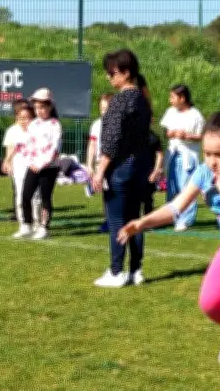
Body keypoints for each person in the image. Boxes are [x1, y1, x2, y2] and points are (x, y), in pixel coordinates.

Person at [117, 90, 220, 371]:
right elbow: (176, 206)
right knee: (209, 304)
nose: (212, 161)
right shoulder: (206, 172)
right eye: (207, 153)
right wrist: (142, 223)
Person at [92, 49, 153, 288]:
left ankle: (116, 271)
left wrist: (100, 169)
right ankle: (136, 270)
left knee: (117, 220)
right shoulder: (143, 100)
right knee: (135, 220)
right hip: (140, 167)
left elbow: (112, 139)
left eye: (112, 73)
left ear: (126, 73)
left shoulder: (119, 100)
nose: (109, 77)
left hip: (120, 168)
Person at [14, 88, 62, 240]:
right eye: (36, 107)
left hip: (49, 167)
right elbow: (28, 145)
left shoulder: (55, 125)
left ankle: (43, 227)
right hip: (33, 166)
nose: (39, 111)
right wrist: (31, 162)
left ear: (50, 107)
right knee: (25, 195)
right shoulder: (33, 124)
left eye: (42, 107)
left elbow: (54, 149)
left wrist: (41, 164)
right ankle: (26, 225)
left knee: (45, 198)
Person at [160, 84, 206, 231]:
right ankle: (171, 216)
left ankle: (186, 219)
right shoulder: (170, 112)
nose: (170, 100)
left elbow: (201, 136)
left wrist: (188, 136)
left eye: (172, 97)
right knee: (172, 187)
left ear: (182, 98)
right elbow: (167, 132)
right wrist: (174, 133)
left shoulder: (196, 115)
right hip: (173, 153)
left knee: (187, 188)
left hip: (188, 156)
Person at [2, 100, 43, 235]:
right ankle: (24, 224)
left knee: (35, 197)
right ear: (16, 118)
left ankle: (37, 224)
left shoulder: (38, 130)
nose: (24, 121)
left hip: (34, 168)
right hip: (19, 169)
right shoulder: (12, 131)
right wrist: (7, 162)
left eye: (27, 118)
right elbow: (11, 149)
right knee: (20, 197)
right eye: (21, 118)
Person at [87, 93, 115, 233]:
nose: (104, 112)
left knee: (117, 192)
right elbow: (92, 144)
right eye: (102, 108)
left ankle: (118, 220)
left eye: (107, 108)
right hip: (101, 162)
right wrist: (89, 164)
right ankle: (108, 220)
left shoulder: (118, 124)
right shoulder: (97, 124)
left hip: (116, 162)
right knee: (106, 193)